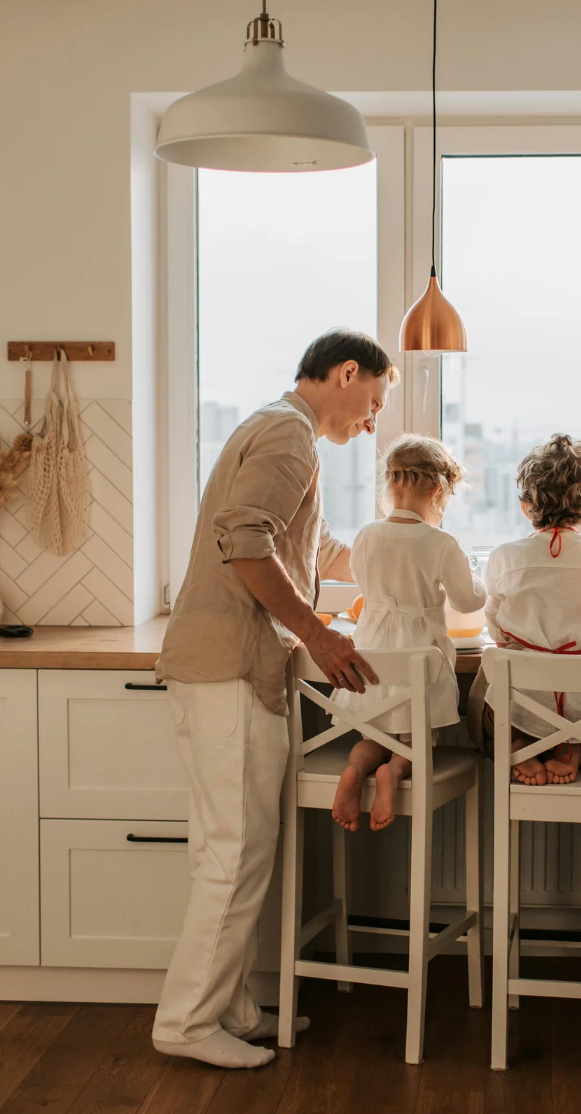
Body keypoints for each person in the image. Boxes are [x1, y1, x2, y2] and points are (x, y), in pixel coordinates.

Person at [153, 329, 398, 1069]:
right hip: (231, 665)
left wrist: (407, 554)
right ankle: (187, 1024)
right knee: (235, 854)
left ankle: (226, 1005)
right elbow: (246, 541)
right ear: (346, 374)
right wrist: (319, 638)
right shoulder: (290, 436)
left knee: (225, 852)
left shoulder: (278, 429)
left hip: (218, 665)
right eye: (376, 401)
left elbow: (311, 550)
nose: (374, 420)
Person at [331, 434, 486, 832]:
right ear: (438, 489)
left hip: (372, 659)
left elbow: (365, 585)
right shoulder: (441, 543)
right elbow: (468, 602)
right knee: (419, 739)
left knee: (373, 734)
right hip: (419, 657)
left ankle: (355, 770)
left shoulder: (366, 535)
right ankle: (395, 771)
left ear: (390, 485)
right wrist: (482, 582)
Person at [468, 433, 581, 785]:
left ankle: (519, 741)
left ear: (527, 506)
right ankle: (573, 746)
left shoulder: (504, 557)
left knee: (486, 698)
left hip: (518, 704)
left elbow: (496, 631)